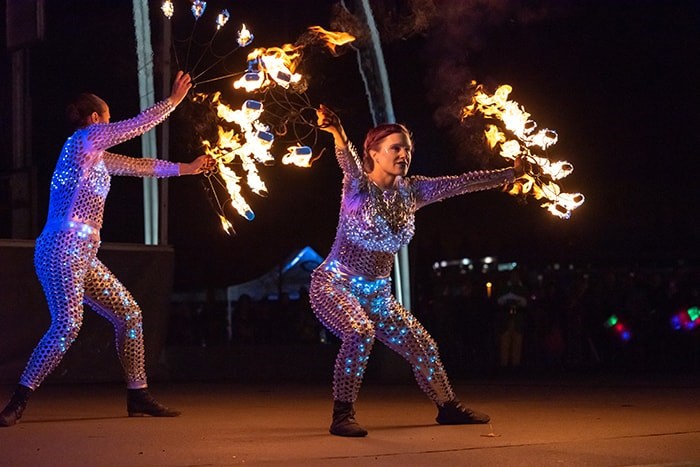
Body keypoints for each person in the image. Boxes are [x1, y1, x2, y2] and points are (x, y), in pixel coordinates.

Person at [0, 71, 214, 427]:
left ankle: (138, 394)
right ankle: (18, 400)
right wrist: (172, 103)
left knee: (130, 314)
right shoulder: (83, 139)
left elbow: (142, 166)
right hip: (60, 248)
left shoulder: (97, 158)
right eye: (108, 118)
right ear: (97, 119)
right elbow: (136, 126)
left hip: (83, 255)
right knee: (68, 324)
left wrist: (187, 170)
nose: (111, 126)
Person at [309, 105, 527, 437]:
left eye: (407, 149)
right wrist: (338, 132)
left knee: (423, 344)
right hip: (335, 285)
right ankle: (342, 414)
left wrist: (509, 175)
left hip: (378, 296)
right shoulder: (358, 186)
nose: (403, 155)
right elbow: (347, 160)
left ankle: (448, 407)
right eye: (395, 148)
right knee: (360, 331)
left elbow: (460, 184)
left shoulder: (412, 192)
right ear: (374, 152)